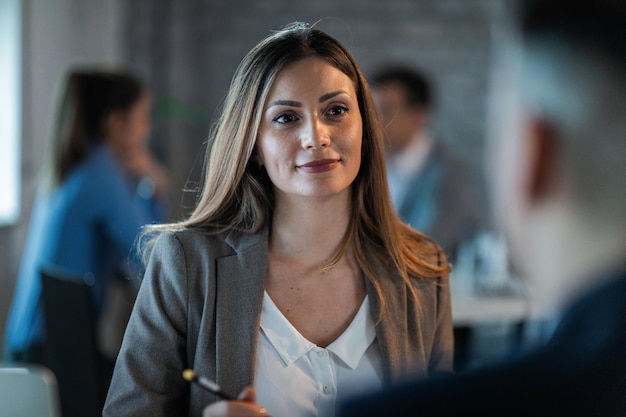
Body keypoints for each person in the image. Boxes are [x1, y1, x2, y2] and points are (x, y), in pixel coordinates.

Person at [103, 22, 454, 417]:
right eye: (286, 118)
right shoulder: (187, 263)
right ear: (254, 145)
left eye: (336, 110)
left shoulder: (422, 269)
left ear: (364, 129)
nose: (316, 137)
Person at [338, 0, 626, 415]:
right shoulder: (371, 171)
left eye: (383, 110)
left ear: (534, 153)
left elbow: (429, 243)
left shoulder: (446, 174)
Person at [4, 68, 169, 364]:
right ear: (117, 124)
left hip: (31, 344)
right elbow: (153, 259)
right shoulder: (101, 176)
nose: (148, 130)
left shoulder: (77, 168)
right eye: (143, 118)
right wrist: (155, 187)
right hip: (50, 351)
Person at [370, 66, 482, 262]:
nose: (374, 121)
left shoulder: (450, 173)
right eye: (370, 111)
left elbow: (431, 246)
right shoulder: (368, 166)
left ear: (420, 115)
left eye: (385, 111)